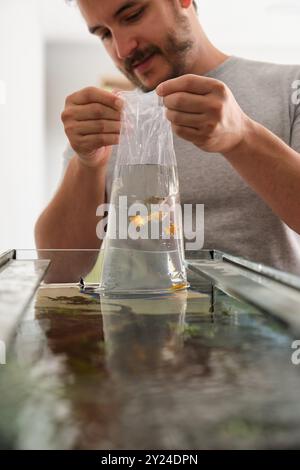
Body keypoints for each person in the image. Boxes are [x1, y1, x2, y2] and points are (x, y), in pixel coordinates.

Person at [35, 0, 300, 274]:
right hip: (136, 314)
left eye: (133, 15)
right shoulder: (108, 121)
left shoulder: (290, 87)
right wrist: (87, 163)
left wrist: (243, 138)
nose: (122, 50)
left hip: (266, 316)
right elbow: (58, 271)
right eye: (104, 34)